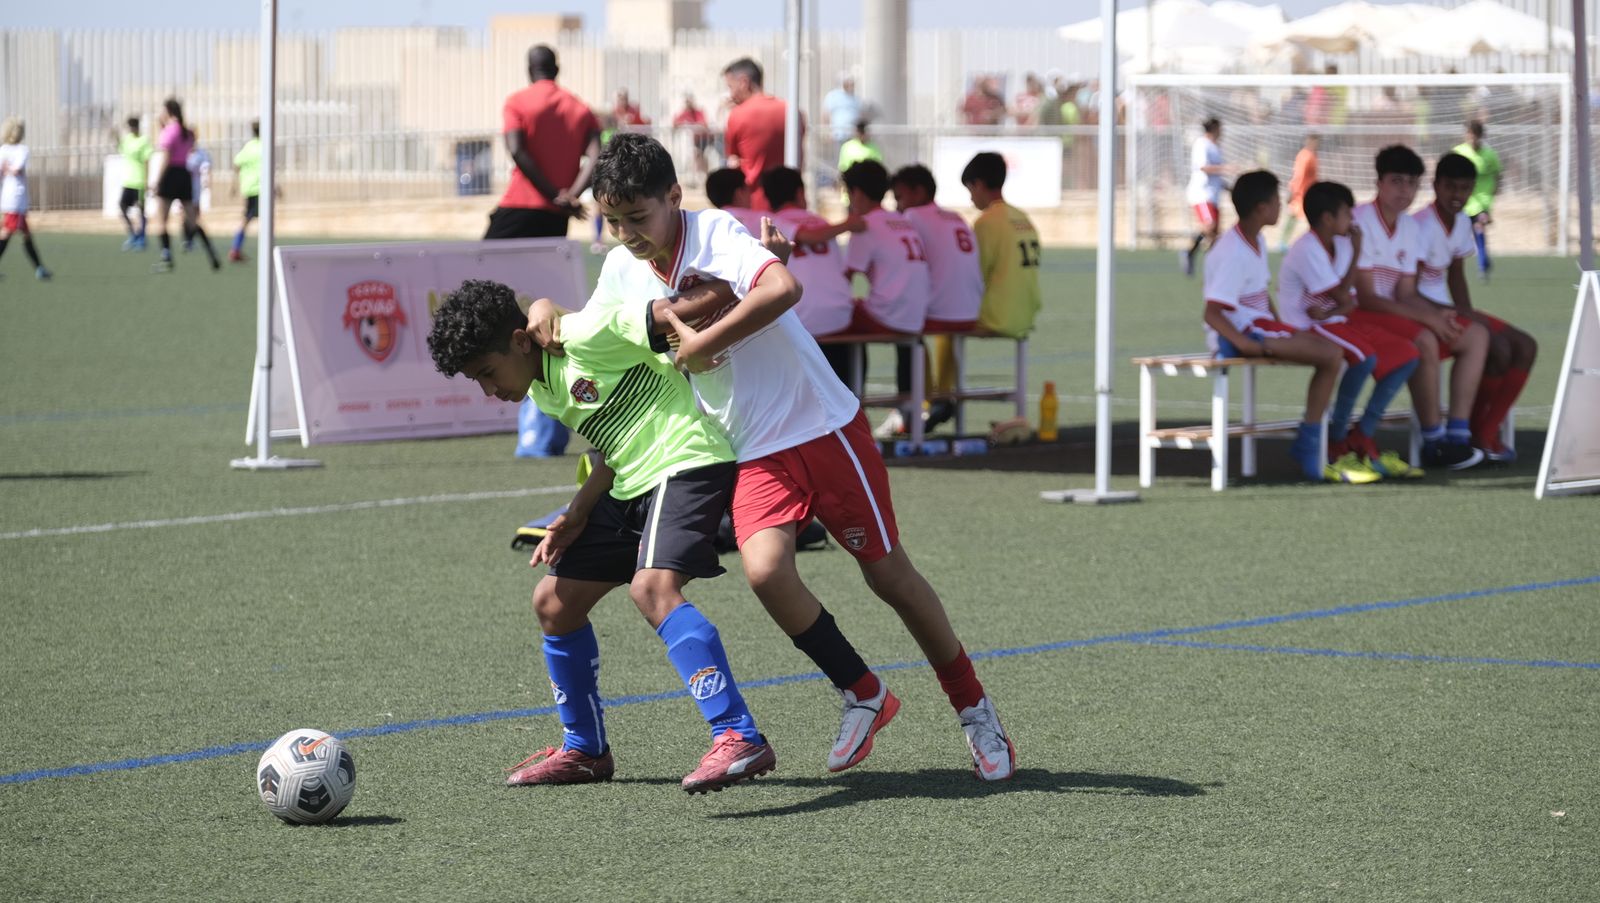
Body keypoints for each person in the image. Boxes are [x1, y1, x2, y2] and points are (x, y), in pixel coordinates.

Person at [527, 133, 1016, 780]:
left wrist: (703, 343)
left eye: (638, 217)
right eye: (613, 221)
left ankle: (973, 705)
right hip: (753, 446)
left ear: (675, 197)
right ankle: (863, 691)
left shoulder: (714, 232)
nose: (627, 233)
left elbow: (783, 286)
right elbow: (585, 327)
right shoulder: (622, 268)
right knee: (765, 571)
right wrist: (543, 306)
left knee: (889, 576)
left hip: (821, 425)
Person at [427, 278, 778, 793]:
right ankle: (586, 751)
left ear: (522, 342)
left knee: (652, 588)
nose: (489, 391)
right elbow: (610, 450)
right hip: (634, 480)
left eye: (487, 372)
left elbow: (677, 310)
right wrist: (577, 513)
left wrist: (734, 289)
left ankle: (738, 735)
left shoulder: (579, 336)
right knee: (553, 603)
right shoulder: (542, 389)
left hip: (688, 460)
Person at [1202, 170, 1348, 483]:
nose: (1281, 206)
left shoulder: (1253, 240)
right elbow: (1213, 313)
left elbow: (1259, 295)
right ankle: (1309, 445)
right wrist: (1246, 344)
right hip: (1240, 335)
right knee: (1332, 355)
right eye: (1276, 201)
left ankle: (1310, 442)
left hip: (1259, 328)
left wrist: (1281, 327)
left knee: (1334, 354)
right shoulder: (1232, 251)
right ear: (1261, 209)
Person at [1348, 144, 1488, 471]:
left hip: (1388, 312)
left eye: (1411, 183)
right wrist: (1429, 318)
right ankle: (1433, 442)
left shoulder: (1409, 226)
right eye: (1396, 181)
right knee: (1425, 338)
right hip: (1355, 313)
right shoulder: (1360, 221)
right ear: (1379, 182)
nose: (1405, 191)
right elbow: (1367, 298)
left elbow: (1407, 293)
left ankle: (1458, 435)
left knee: (1476, 336)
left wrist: (1436, 315)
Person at [1278, 181, 1421, 481]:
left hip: (1332, 321)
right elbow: (1343, 297)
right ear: (1328, 219)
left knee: (1408, 355)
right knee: (1364, 357)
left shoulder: (1339, 242)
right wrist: (1357, 254)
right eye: (1346, 214)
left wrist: (1335, 307)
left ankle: (1362, 434)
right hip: (1305, 327)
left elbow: (1345, 301)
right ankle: (1335, 443)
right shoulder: (1308, 248)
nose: (1352, 221)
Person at [1414, 152, 1535, 463]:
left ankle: (1484, 433)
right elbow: (1407, 291)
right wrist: (1452, 315)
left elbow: (1455, 275)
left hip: (1450, 309)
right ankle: (1472, 434)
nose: (1458, 195)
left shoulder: (1461, 223)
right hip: (1426, 312)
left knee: (1525, 346)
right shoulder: (1420, 226)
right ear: (1436, 185)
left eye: (1465, 188)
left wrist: (1466, 311)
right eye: (1451, 187)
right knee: (1499, 348)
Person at [832, 160, 933, 439]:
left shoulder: (865, 225)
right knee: (894, 336)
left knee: (834, 324)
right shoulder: (902, 220)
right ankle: (909, 413)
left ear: (858, 194)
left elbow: (847, 277)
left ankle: (848, 413)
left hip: (889, 314)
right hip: (916, 315)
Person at [891, 163, 982, 432]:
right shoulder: (955, 216)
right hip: (971, 309)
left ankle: (913, 408)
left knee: (901, 328)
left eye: (900, 197)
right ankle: (941, 395)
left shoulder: (912, 218)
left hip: (940, 312)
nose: (897, 204)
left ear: (918, 192)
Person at [486, 44, 602, 241]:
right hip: (556, 216)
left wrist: (553, 195)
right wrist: (570, 197)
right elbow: (597, 157)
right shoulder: (581, 108)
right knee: (541, 272)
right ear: (557, 70)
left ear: (529, 70)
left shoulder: (517, 102)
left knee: (479, 265)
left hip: (520, 204)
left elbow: (516, 150)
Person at [762, 165, 863, 382]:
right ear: (800, 193)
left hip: (802, 322)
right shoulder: (822, 222)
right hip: (839, 319)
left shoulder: (768, 223)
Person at [962, 152, 1042, 340]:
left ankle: (945, 372)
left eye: (970, 190)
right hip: (1027, 314)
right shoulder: (1022, 217)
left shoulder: (986, 222)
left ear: (979, 185)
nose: (971, 199)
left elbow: (974, 274)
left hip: (996, 317)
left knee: (946, 325)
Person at [150, 98, 220, 273]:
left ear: (169, 112)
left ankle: (166, 259)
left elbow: (166, 157)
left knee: (162, 221)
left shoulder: (169, 131)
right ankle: (211, 253)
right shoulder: (187, 132)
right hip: (184, 176)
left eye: (163, 111)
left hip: (171, 174)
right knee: (192, 220)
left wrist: (157, 181)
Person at [722, 57, 793, 211]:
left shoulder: (738, 115)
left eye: (730, 87)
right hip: (791, 202)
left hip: (755, 205)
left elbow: (733, 159)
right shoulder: (792, 111)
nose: (730, 95)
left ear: (743, 82)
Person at [0, 117, 52, 281]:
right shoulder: (22, 150)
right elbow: (17, 170)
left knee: (26, 234)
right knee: (7, 233)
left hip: (10, 197)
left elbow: (4, 171)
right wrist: (10, 169)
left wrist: (6, 169)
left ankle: (40, 268)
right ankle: (39, 268)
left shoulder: (3, 150)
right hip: (16, 198)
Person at [1452, 120, 1501, 281]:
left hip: (1482, 201)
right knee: (1461, 233)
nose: (1471, 138)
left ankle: (1482, 267)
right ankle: (1484, 261)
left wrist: (1494, 191)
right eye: (1469, 134)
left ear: (1480, 136)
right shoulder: (1458, 153)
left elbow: (1497, 174)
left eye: (1474, 135)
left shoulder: (1489, 155)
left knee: (1479, 229)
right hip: (1464, 201)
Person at [1182, 117, 1227, 277]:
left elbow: (1216, 173)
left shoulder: (1216, 147)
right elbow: (1203, 167)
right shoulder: (1201, 144)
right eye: (1220, 128)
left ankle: (1194, 255)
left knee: (1215, 233)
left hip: (1214, 195)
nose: (1222, 131)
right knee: (1210, 226)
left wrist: (1227, 186)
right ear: (1214, 128)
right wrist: (1225, 168)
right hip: (1201, 194)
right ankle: (1213, 264)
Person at [1279, 133, 1320, 251]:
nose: (1315, 144)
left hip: (1309, 193)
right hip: (1300, 194)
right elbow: (1298, 176)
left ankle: (1284, 242)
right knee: (1294, 216)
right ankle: (1283, 242)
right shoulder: (1305, 156)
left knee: (1301, 217)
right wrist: (1292, 192)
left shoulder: (1312, 155)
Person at [117, 116, 152, 251]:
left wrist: (147, 180)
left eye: (134, 126)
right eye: (130, 127)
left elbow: (147, 160)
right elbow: (121, 148)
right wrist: (114, 136)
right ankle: (133, 234)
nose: (132, 129)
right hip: (129, 181)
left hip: (140, 181)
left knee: (141, 210)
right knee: (122, 206)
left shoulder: (144, 140)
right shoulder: (127, 139)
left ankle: (142, 239)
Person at [230, 119, 262, 263]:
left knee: (247, 218)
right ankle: (236, 249)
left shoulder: (248, 147)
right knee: (258, 219)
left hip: (248, 188)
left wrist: (234, 185)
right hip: (260, 188)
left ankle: (236, 248)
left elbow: (236, 164)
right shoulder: (264, 147)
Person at [704, 167, 764, 235]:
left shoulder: (705, 225)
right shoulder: (764, 221)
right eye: (748, 190)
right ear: (739, 193)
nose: (751, 195)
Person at [671, 93, 711, 187]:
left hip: (703, 140)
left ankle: (704, 177)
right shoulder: (684, 113)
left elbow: (704, 123)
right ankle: (695, 179)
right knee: (695, 157)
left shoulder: (698, 112)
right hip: (692, 142)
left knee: (701, 158)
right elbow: (675, 123)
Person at [181, 134, 212, 254]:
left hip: (196, 187)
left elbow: (206, 168)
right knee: (184, 215)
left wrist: (208, 181)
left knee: (195, 214)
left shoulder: (201, 153)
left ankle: (191, 240)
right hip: (183, 187)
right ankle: (187, 239)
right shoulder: (183, 152)